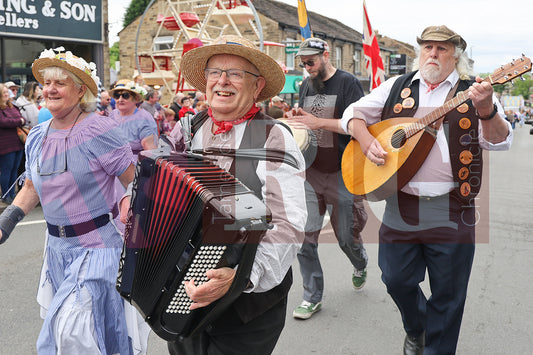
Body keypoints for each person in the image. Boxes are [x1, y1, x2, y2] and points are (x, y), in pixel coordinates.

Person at [341, 25, 512, 354]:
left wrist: (487, 109)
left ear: (456, 56)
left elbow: (500, 141)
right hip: (401, 203)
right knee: (395, 279)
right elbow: (353, 113)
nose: (432, 54)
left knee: (448, 295)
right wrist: (364, 139)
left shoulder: (474, 91)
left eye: (442, 48)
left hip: (452, 206)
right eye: (427, 47)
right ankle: (417, 326)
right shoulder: (397, 86)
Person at [148, 35, 307, 354]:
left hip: (247, 307)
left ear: (257, 86)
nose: (222, 81)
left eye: (235, 73)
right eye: (214, 72)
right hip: (183, 289)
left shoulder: (274, 139)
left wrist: (239, 278)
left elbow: (288, 227)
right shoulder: (187, 129)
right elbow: (157, 185)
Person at [0, 47, 143, 354]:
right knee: (94, 333)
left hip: (97, 248)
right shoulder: (37, 136)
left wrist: (128, 201)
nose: (50, 89)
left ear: (81, 91)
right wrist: (6, 222)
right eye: (46, 83)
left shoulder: (99, 130)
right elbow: (31, 188)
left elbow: (135, 180)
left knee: (70, 335)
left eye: (60, 83)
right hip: (57, 251)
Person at [286, 37, 368, 320]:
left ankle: (360, 261)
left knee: (346, 237)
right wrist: (297, 118)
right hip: (310, 172)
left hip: (341, 172)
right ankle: (312, 296)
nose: (306, 67)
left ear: (326, 55)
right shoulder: (306, 85)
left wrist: (317, 122)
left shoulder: (348, 83)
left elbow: (360, 127)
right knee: (305, 238)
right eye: (302, 63)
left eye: (311, 61)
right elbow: (307, 124)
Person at [109, 79, 158, 158]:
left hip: (134, 164)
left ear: (135, 99)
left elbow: (151, 152)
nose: (120, 99)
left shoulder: (144, 118)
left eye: (125, 95)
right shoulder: (113, 114)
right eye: (117, 96)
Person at [0, 83, 25, 204]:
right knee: (6, 169)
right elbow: (4, 122)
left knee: (15, 169)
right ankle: (5, 195)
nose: (6, 94)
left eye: (7, 92)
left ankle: (12, 194)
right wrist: (18, 121)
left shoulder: (12, 106)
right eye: (4, 92)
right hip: (6, 145)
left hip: (18, 143)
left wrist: (18, 121)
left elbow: (23, 119)